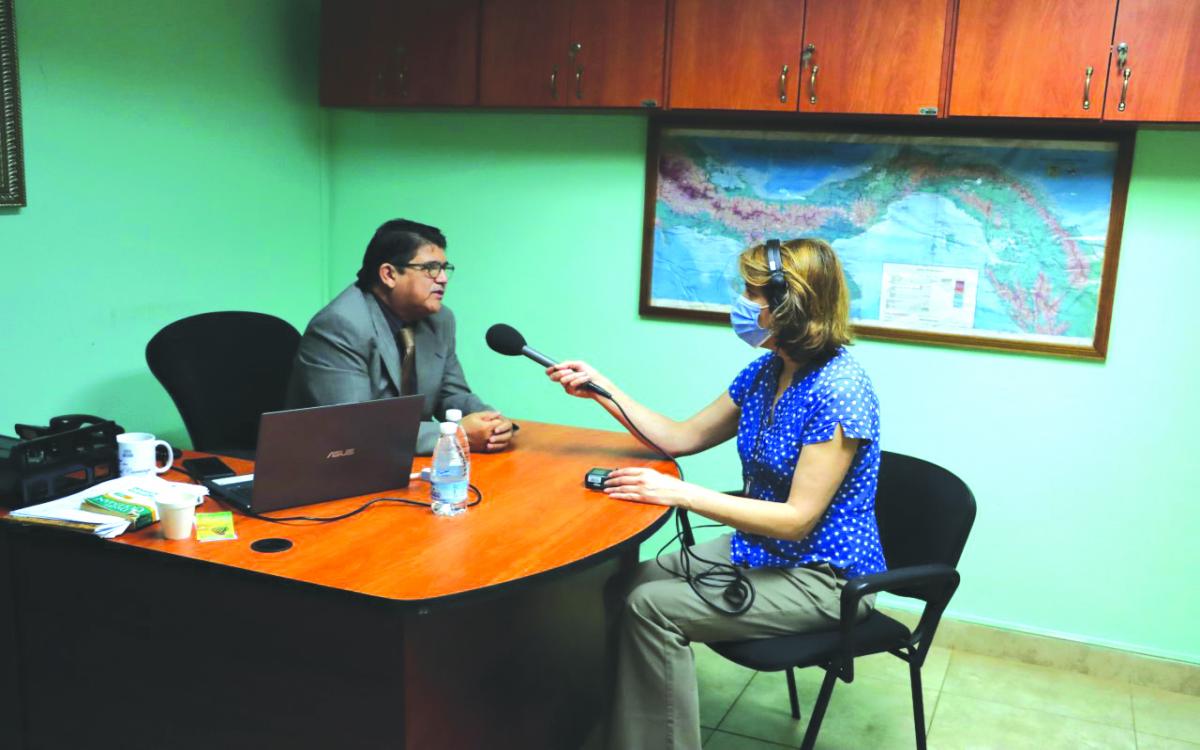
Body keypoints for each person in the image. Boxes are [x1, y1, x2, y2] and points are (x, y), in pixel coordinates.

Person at [545, 238, 886, 750]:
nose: (742, 304)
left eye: (752, 293)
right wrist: (602, 389)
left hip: (823, 577)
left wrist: (679, 493)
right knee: (624, 586)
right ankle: (618, 726)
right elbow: (681, 437)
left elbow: (796, 519)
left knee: (650, 607)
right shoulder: (768, 370)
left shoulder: (840, 390)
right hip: (760, 551)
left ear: (787, 304)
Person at [286, 219, 514, 455]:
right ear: (389, 275)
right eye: (431, 268)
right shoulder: (340, 326)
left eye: (445, 268)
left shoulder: (440, 320)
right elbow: (352, 429)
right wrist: (455, 434)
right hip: (331, 464)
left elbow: (451, 394)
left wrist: (491, 421)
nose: (443, 279)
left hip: (406, 462)